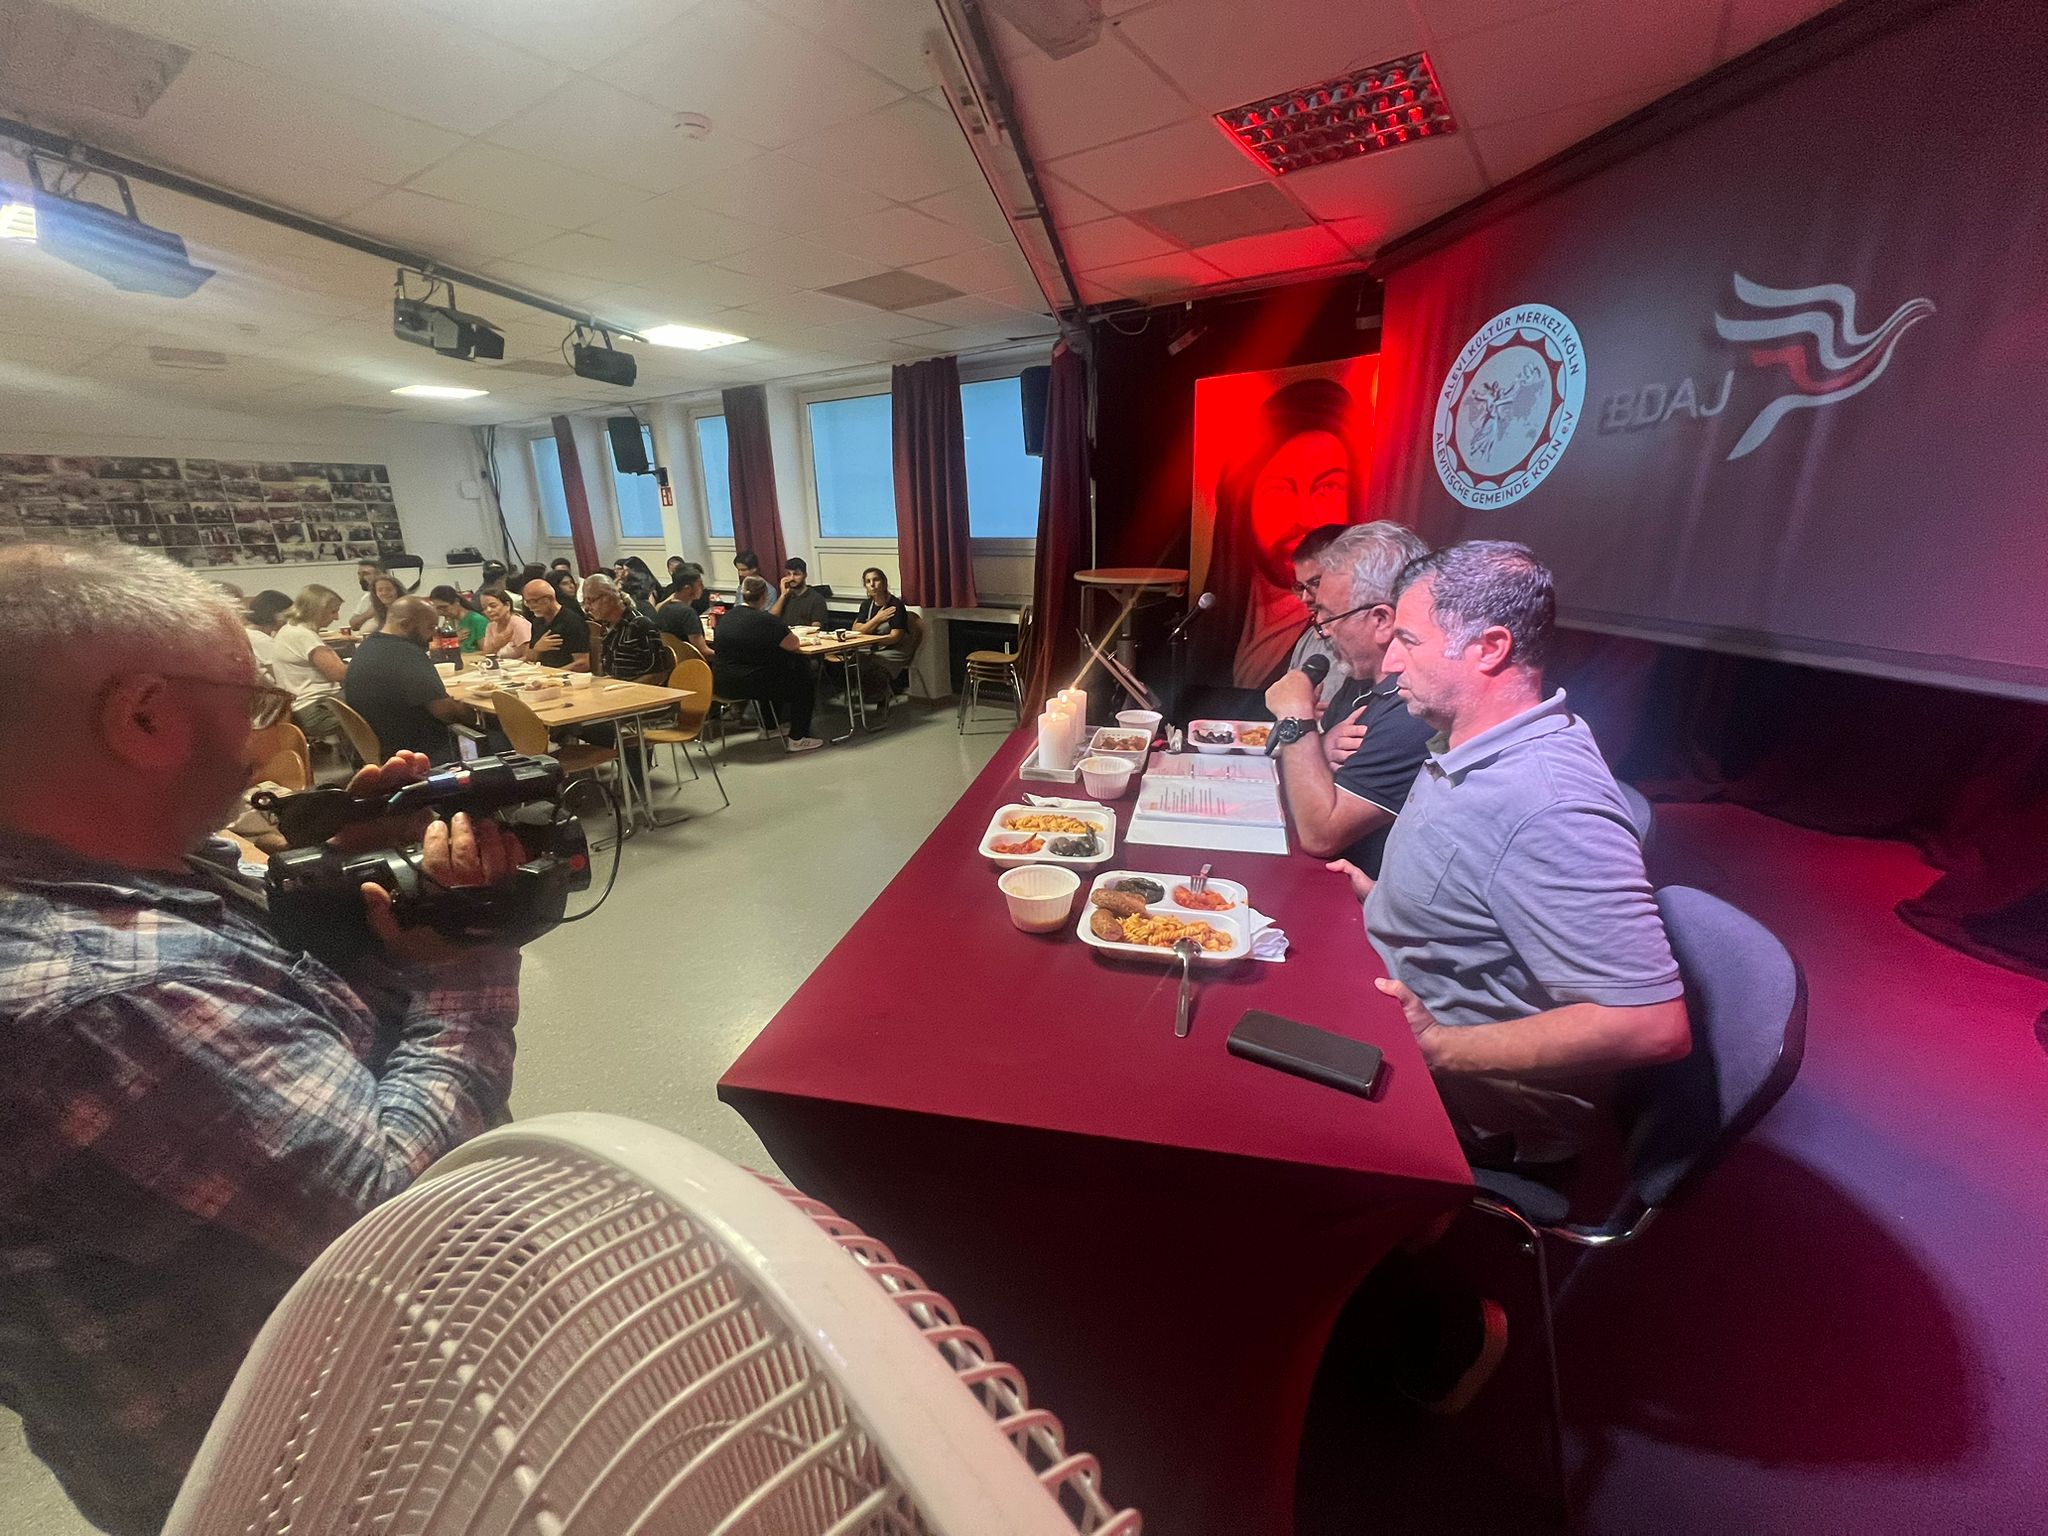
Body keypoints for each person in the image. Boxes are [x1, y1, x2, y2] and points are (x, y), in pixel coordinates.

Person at [0, 542, 525, 1536]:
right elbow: (389, 1217)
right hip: (320, 1482)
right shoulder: (96, 1001)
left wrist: (347, 876)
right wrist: (466, 950)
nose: (266, 735)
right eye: (255, 704)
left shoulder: (141, 867)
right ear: (144, 716)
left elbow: (299, 1020)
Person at [1357, 540, 1690, 1168]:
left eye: (1408, 640)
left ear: (1489, 648)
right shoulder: (1474, 742)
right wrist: (1390, 899)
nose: (1390, 661)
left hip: (1464, 1106)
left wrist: (1439, 1048)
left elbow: (1651, 1024)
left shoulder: (1550, 807)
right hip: (1391, 1005)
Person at [1261, 522, 1434, 878]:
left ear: (1381, 619)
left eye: (1330, 617)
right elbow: (1314, 783)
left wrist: (1296, 714)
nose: (1323, 630)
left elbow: (1321, 834)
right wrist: (1319, 746)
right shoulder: (1360, 682)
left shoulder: (1412, 707)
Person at [1201, 378, 1369, 689]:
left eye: (1327, 488)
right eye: (1279, 490)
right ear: (1243, 505)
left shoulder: (1352, 628)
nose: (1305, 516)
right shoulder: (1221, 620)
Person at [344, 595, 477, 761]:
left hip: (383, 745)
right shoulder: (407, 654)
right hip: (420, 751)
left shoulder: (368, 646)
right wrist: (469, 714)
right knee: (500, 738)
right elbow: (444, 711)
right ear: (405, 624)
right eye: (430, 627)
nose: (433, 635)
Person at [714, 575, 823, 753]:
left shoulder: (727, 617)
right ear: (765, 596)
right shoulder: (766, 621)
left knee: (772, 671)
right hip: (749, 683)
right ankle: (798, 738)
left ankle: (769, 727)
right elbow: (793, 644)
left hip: (720, 683)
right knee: (803, 682)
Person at [271, 583, 349, 738]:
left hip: (306, 708)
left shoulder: (289, 630)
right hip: (317, 710)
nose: (337, 617)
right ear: (317, 611)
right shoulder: (303, 636)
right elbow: (339, 674)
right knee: (380, 706)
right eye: (333, 611)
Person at [1283, 523, 1351, 692]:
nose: (1305, 598)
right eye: (1301, 587)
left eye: (1316, 583)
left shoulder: (1382, 643)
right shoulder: (1309, 640)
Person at [581, 573, 667, 681]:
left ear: (609, 596)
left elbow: (658, 674)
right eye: (584, 601)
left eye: (591, 600)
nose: (587, 607)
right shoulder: (606, 627)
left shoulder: (640, 626)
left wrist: (624, 687)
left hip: (638, 690)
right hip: (614, 688)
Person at [848, 566, 913, 710]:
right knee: (853, 662)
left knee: (874, 665)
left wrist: (869, 635)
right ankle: (866, 699)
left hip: (894, 649)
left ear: (884, 583)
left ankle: (881, 701)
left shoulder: (895, 605)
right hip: (872, 647)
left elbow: (895, 636)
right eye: (868, 581)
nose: (872, 584)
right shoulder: (866, 605)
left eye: (876, 580)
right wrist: (877, 619)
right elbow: (856, 630)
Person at [523, 577, 590, 670]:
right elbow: (529, 658)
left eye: (534, 601)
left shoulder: (572, 622)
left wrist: (552, 674)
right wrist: (537, 649)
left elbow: (583, 663)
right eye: (527, 602)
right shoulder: (538, 621)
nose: (531, 607)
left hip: (566, 675)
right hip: (541, 672)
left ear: (549, 598)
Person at [654, 561, 712, 657]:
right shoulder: (688, 613)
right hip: (691, 661)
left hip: (673, 660)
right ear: (687, 589)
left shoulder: (664, 608)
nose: (703, 587)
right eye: (699, 584)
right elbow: (703, 651)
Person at [771, 556, 830, 629]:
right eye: (789, 574)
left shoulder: (816, 599)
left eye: (796, 574)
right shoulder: (786, 596)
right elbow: (771, 618)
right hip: (785, 634)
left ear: (805, 575)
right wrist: (783, 595)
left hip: (804, 635)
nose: (791, 578)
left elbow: (816, 627)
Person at [243, 588, 292, 676]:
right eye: (288, 614)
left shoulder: (246, 632)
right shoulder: (261, 640)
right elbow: (281, 674)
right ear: (275, 614)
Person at [430, 584, 488, 653]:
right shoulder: (449, 621)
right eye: (437, 609)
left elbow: (486, 651)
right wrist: (453, 639)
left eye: (444, 607)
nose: (441, 612)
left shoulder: (477, 620)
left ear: (457, 601)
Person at [478, 588, 531, 660]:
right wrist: (495, 645)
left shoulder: (519, 623)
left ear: (507, 605)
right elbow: (487, 654)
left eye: (493, 606)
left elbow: (528, 656)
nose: (488, 610)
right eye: (484, 608)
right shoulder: (491, 626)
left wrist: (510, 664)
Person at [355, 572, 404, 637]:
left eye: (389, 589)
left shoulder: (407, 610)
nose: (384, 593)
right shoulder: (376, 615)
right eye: (380, 590)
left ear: (397, 590)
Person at [347, 558, 386, 629]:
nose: (361, 578)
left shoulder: (392, 596)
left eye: (366, 574)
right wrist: (369, 613)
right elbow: (353, 623)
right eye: (359, 574)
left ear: (380, 575)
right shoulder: (367, 597)